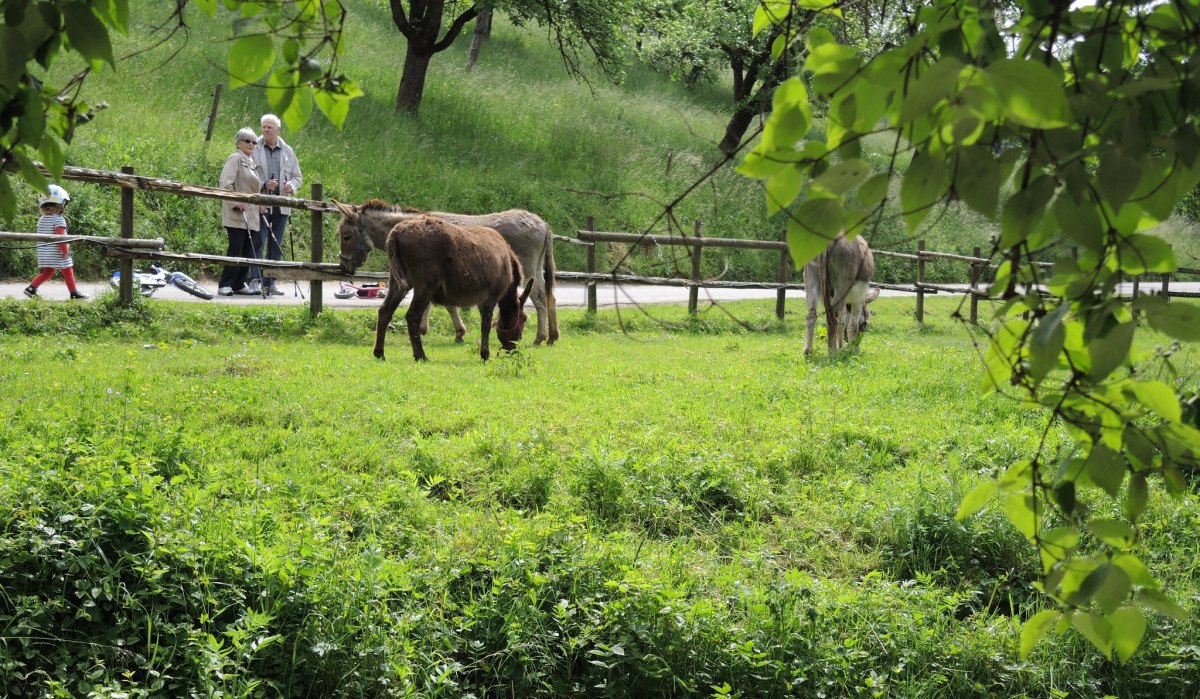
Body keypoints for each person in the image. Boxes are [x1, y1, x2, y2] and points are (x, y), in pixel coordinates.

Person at [250, 113, 303, 296]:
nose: (265, 130)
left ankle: (270, 282)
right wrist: (264, 185)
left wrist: (291, 186)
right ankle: (255, 280)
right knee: (258, 241)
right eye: (263, 127)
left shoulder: (287, 150)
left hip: (282, 204)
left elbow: (298, 177)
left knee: (276, 243)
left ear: (278, 130)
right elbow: (248, 177)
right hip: (261, 203)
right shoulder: (255, 148)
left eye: (269, 127)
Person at [217, 127, 263, 296]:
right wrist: (236, 203)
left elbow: (253, 189)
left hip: (251, 215)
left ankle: (238, 283)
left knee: (248, 250)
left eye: (254, 142)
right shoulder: (235, 159)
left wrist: (261, 205)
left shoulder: (251, 162)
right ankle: (225, 284)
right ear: (238, 143)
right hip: (237, 213)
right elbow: (225, 184)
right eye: (247, 141)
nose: (251, 144)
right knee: (235, 248)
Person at [24, 184, 89, 300]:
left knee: (47, 272)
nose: (61, 207)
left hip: (44, 253)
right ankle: (74, 293)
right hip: (58, 253)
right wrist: (65, 250)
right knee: (68, 271)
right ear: (57, 205)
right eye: (60, 204)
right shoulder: (58, 219)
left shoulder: (41, 220)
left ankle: (31, 288)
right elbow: (60, 237)